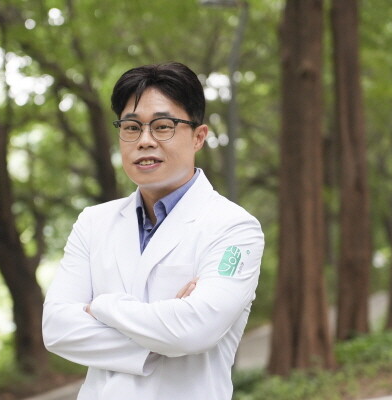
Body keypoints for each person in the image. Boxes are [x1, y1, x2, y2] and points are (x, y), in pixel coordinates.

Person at [42, 62, 264, 400]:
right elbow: (57, 329)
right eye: (131, 127)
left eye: (163, 126)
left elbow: (194, 330)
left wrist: (100, 307)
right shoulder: (93, 222)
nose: (145, 141)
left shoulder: (234, 228)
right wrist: (162, 338)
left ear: (199, 137)